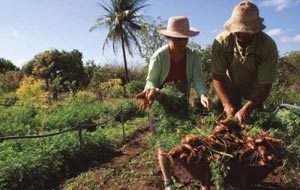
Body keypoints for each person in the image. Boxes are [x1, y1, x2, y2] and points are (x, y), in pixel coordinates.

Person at [136, 16, 211, 190]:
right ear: (168, 37)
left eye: (183, 38)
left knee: (188, 142)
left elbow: (198, 80)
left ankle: (201, 178)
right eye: (176, 38)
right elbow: (151, 80)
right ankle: (168, 181)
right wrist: (152, 91)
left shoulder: (193, 57)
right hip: (161, 104)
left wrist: (202, 95)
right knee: (163, 144)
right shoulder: (160, 56)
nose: (180, 41)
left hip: (181, 105)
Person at [211, 0, 278, 125]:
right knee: (220, 121)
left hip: (254, 94)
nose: (241, 33)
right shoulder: (221, 42)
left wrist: (247, 108)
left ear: (255, 30)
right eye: (238, 30)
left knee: (254, 124)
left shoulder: (267, 45)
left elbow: (265, 85)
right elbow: (218, 76)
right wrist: (227, 105)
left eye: (246, 31)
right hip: (228, 89)